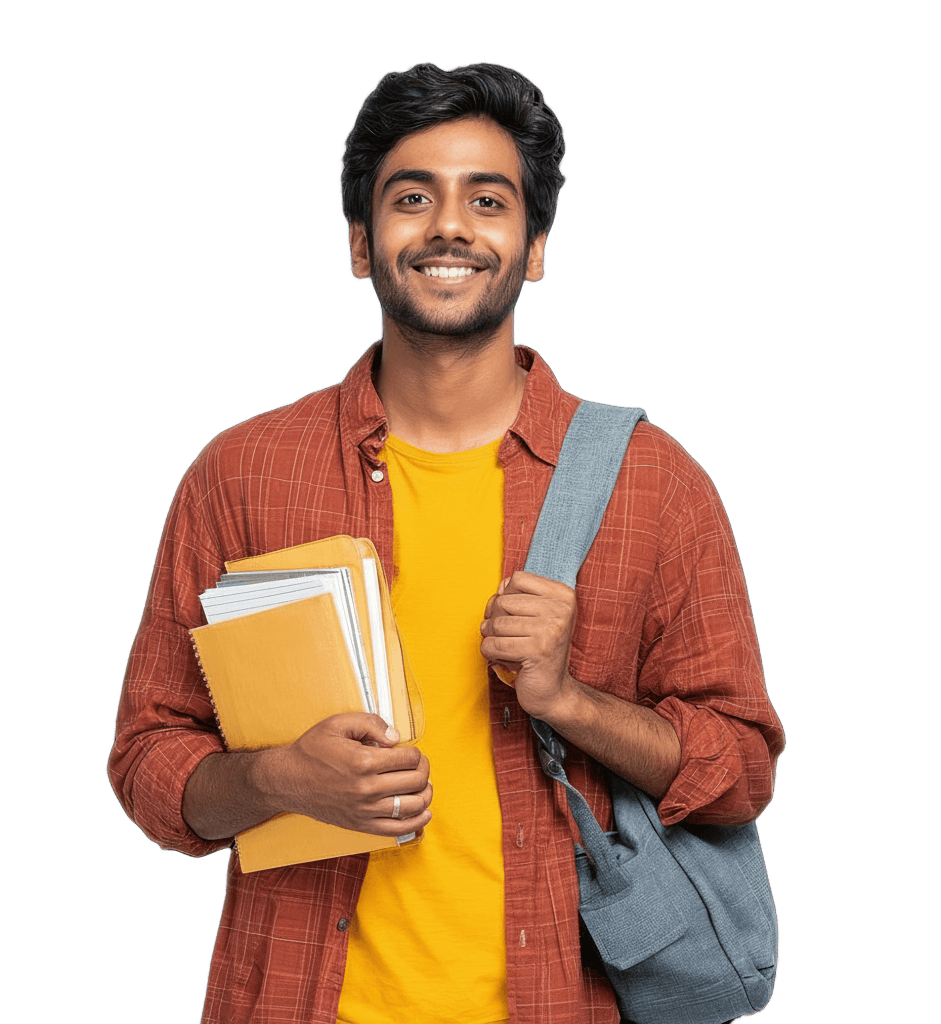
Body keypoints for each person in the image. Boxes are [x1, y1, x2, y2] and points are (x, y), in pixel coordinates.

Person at [107, 61, 784, 1024]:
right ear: (359, 243)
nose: (449, 227)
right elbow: (147, 762)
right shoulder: (241, 474)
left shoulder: (653, 484)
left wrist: (568, 701)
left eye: (489, 199)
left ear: (534, 246)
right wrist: (277, 779)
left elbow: (742, 769)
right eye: (411, 197)